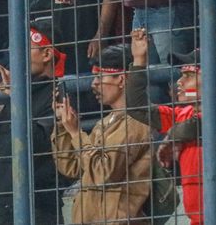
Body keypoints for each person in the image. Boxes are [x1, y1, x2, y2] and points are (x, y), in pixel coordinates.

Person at [126, 28, 216, 225]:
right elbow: (137, 107)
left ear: (212, 78)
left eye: (188, 75)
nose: (179, 82)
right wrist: (139, 62)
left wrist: (172, 136)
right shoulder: (184, 113)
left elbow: (207, 123)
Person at [0, 20, 64, 224]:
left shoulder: (59, 94)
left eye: (25, 48)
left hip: (38, 209)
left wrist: (16, 98)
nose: (16, 55)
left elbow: (41, 145)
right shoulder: (13, 95)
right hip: (0, 207)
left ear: (47, 54)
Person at [52, 44, 152, 223]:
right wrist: (63, 126)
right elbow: (71, 168)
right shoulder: (104, 123)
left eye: (99, 77)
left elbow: (103, 173)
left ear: (121, 79)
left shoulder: (136, 122)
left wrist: (76, 133)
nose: (93, 84)